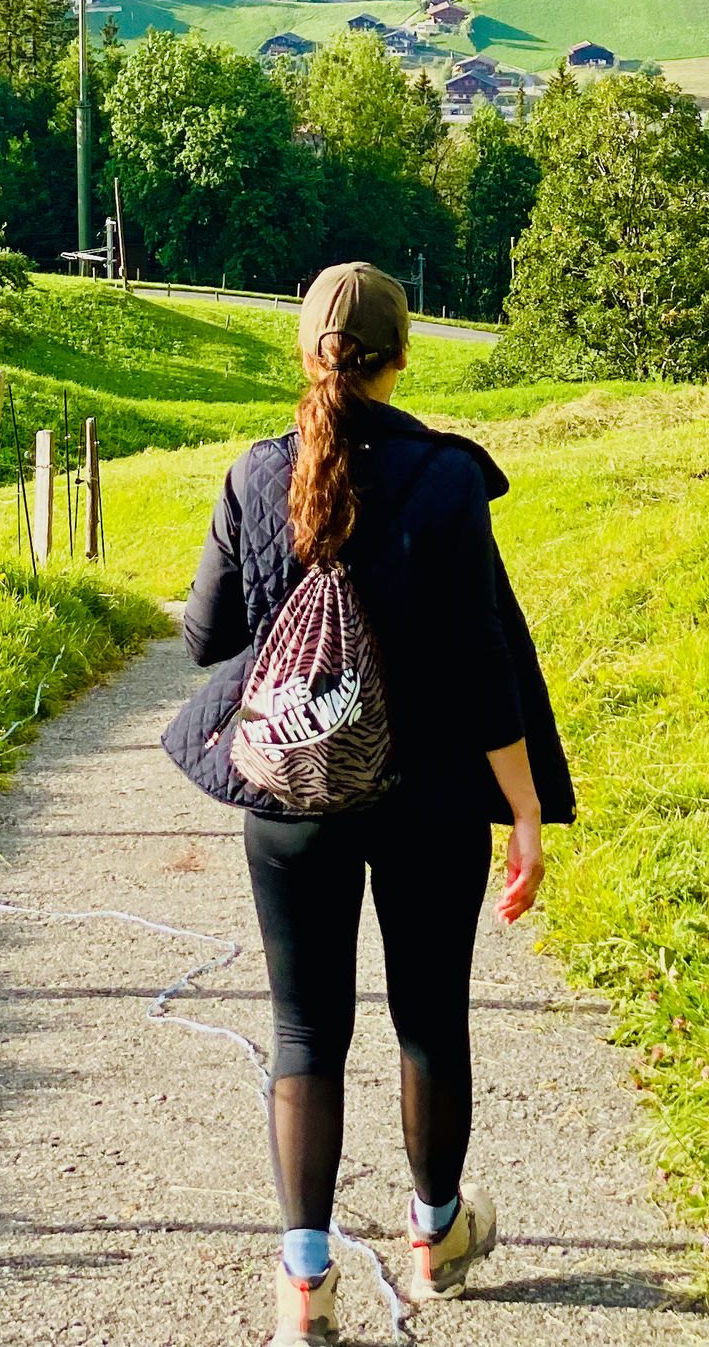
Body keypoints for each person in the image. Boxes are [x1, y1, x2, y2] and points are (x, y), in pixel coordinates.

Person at [164, 261, 573, 1346]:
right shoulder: (443, 484)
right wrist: (524, 809)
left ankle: (304, 1284)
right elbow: (487, 670)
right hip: (432, 796)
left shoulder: (255, 475)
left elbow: (205, 640)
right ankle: (434, 1237)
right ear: (402, 357)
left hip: (292, 794)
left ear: (305, 355)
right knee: (428, 1019)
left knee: (304, 1031)